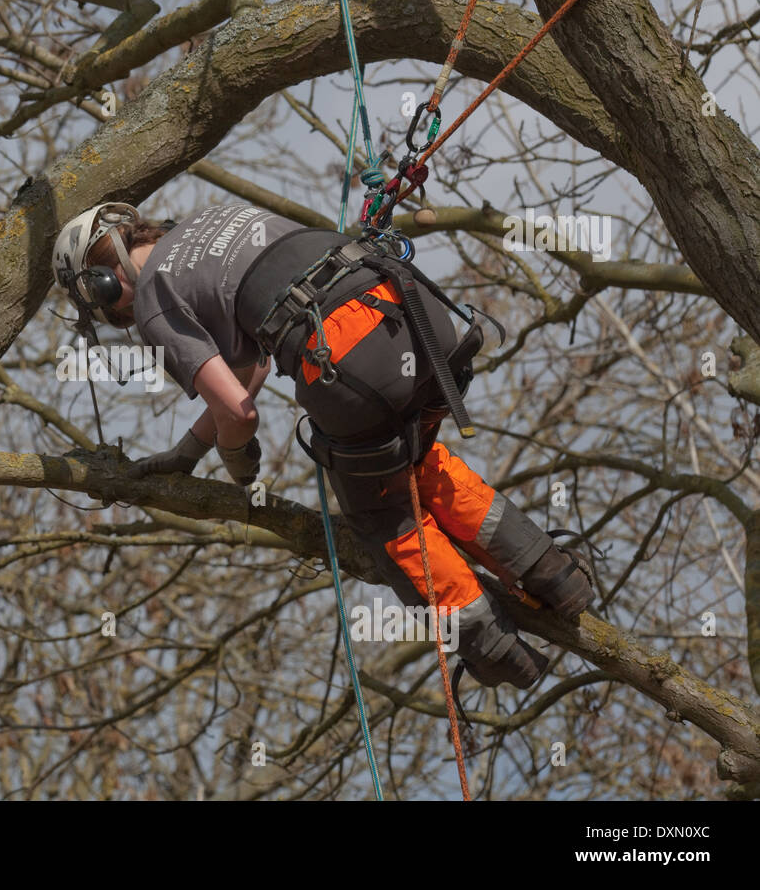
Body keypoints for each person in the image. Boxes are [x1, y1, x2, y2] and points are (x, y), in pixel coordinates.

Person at [51, 202, 595, 688]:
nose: (118, 317)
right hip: (419, 317)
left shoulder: (151, 301)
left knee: (387, 520)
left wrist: (237, 461)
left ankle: (495, 651)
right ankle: (553, 573)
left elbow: (238, 409)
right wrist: (189, 451)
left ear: (98, 283)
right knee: (416, 466)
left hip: (350, 356)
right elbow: (249, 367)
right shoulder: (210, 220)